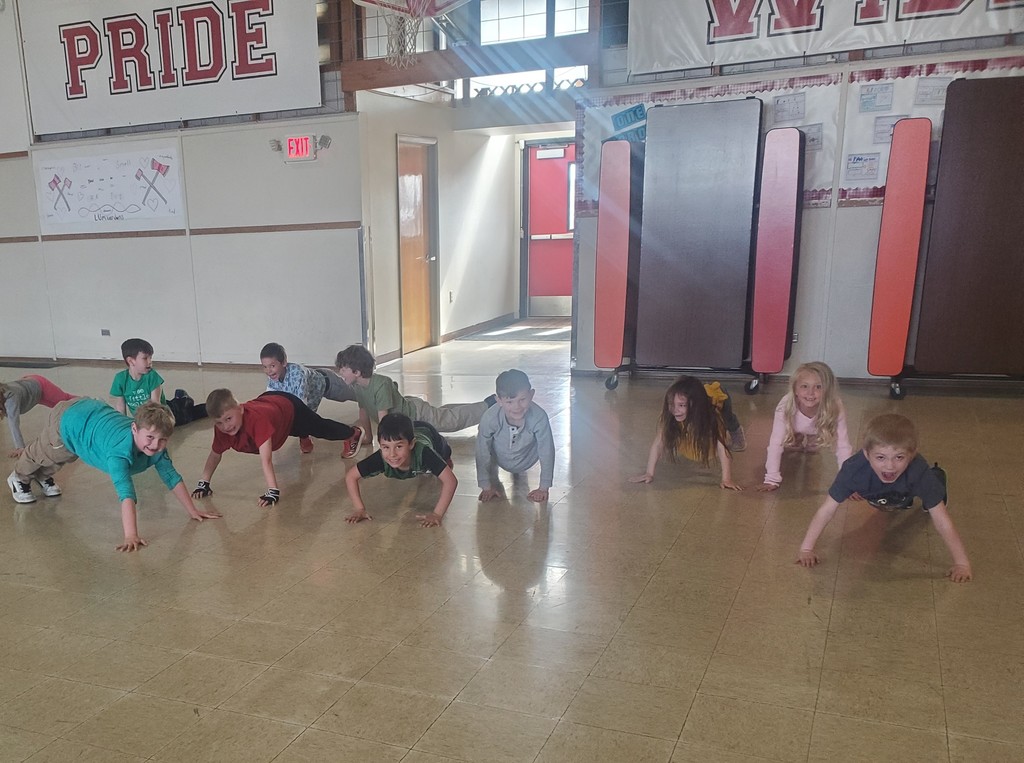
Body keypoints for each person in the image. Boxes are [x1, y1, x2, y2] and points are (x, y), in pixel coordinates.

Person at [6, 400, 220, 551]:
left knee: (65, 456)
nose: (155, 445)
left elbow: (172, 476)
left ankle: (43, 477)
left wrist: (192, 510)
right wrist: (131, 535)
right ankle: (18, 477)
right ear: (135, 429)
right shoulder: (119, 453)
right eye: (150, 437)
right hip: (69, 420)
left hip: (89, 417)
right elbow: (126, 494)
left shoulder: (156, 449)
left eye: (162, 439)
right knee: (45, 452)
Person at [796, 413, 972, 582]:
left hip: (909, 486)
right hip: (883, 494)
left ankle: (937, 476)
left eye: (899, 457)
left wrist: (962, 563)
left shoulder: (919, 471)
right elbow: (826, 511)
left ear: (912, 455)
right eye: (880, 457)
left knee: (927, 492)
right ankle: (902, 497)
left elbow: (942, 521)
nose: (890, 466)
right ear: (866, 454)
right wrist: (806, 548)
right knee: (892, 501)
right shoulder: (853, 471)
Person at [191, 389, 364, 508]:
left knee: (319, 427)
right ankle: (303, 434)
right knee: (293, 428)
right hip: (274, 409)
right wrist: (203, 483)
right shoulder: (223, 429)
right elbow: (215, 454)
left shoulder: (257, 421)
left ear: (241, 409)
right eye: (219, 423)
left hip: (288, 406)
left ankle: (352, 433)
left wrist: (272, 491)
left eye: (228, 419)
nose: (225, 427)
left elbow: (266, 460)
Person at [334, 345, 496, 443]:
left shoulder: (381, 384)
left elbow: (385, 422)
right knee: (444, 414)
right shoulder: (358, 386)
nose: (340, 373)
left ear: (356, 371)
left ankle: (489, 405)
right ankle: (482, 405)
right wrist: (368, 437)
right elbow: (363, 413)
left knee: (449, 421)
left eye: (343, 369)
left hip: (416, 414)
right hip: (405, 410)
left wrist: (385, 445)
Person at [629, 375, 742, 490]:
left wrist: (726, 479)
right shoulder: (671, 415)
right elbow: (658, 443)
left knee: (728, 419)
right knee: (684, 423)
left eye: (681, 405)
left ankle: (737, 432)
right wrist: (649, 473)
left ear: (694, 406)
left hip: (717, 394)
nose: (675, 410)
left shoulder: (711, 416)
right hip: (697, 395)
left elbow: (722, 448)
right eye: (671, 404)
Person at [345, 413, 457, 528]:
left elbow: (451, 481)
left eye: (399, 446)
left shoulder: (424, 453)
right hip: (409, 432)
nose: (392, 454)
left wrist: (437, 514)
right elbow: (351, 476)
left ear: (412, 444)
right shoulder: (380, 458)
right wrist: (359, 509)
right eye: (386, 447)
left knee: (445, 460)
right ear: (380, 445)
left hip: (427, 431)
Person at [758, 361, 852, 491]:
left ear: (828, 390)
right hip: (795, 425)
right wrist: (771, 479)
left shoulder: (835, 406)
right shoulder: (784, 406)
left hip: (819, 425)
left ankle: (812, 440)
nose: (810, 393)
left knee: (813, 448)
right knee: (791, 444)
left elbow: (843, 446)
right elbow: (775, 443)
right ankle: (798, 437)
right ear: (795, 389)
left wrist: (848, 483)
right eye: (804, 386)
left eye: (818, 387)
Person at [260, 342, 357, 455]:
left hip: (328, 383)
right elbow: (271, 400)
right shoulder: (272, 378)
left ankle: (372, 393)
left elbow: (301, 409)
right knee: (298, 419)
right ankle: (305, 436)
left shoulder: (298, 375)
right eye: (265, 367)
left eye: (272, 366)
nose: (268, 371)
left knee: (356, 394)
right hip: (312, 394)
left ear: (284, 362)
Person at [475, 369, 555, 503]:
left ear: (531, 395)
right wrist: (486, 486)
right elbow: (482, 451)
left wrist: (543, 488)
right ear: (498, 400)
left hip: (527, 458)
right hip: (499, 457)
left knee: (544, 445)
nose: (517, 407)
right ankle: (495, 476)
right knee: (483, 441)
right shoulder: (490, 417)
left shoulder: (539, 417)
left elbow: (547, 451)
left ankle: (519, 473)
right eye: (509, 402)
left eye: (522, 399)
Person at [110, 337, 205, 424]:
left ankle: (185, 401)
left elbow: (155, 406)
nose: (150, 361)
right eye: (145, 358)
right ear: (131, 361)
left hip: (162, 414)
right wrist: (122, 425)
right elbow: (120, 408)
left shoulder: (152, 376)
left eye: (150, 358)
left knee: (188, 415)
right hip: (148, 416)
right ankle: (179, 399)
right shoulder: (120, 379)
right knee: (173, 405)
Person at [1, 375, 77, 457]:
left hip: (40, 385)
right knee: (58, 406)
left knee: (66, 401)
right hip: (30, 390)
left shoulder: (11, 399)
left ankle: (88, 404)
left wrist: (20, 446)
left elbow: (13, 423)